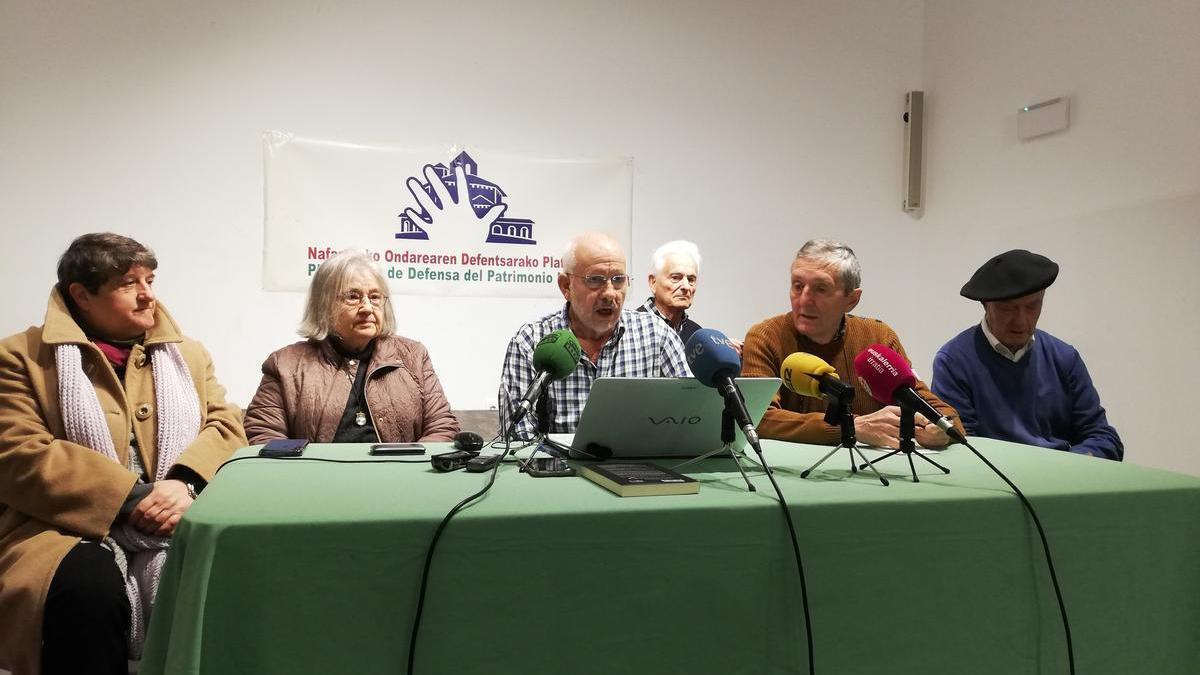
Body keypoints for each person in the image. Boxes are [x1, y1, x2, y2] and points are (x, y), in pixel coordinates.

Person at [0, 233, 246, 675]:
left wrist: (184, 483)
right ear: (82, 295)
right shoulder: (20, 357)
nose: (147, 294)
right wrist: (132, 499)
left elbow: (226, 426)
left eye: (150, 279)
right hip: (59, 528)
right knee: (85, 591)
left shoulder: (188, 354)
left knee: (234, 579)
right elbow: (18, 453)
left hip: (183, 510)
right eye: (128, 283)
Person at [742, 239, 962, 448]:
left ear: (852, 299)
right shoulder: (765, 337)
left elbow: (937, 409)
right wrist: (850, 427)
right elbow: (758, 417)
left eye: (821, 289)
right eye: (798, 286)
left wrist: (940, 429)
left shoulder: (879, 338)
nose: (804, 299)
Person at [244, 251, 459, 444]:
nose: (367, 307)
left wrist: (409, 469)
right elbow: (264, 433)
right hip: (316, 483)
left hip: (399, 480)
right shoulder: (286, 364)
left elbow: (442, 426)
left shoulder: (413, 355)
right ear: (323, 304)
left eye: (375, 297)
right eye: (352, 297)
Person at [931, 249, 1123, 460]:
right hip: (998, 483)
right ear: (985, 304)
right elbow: (962, 445)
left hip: (1065, 478)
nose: (1021, 321)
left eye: (1032, 306)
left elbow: (1102, 435)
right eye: (1007, 308)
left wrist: (1070, 465)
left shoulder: (1064, 357)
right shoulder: (954, 361)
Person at [499, 232, 691, 438]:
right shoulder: (531, 340)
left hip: (639, 467)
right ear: (566, 286)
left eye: (618, 280)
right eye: (595, 280)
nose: (609, 293)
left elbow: (692, 416)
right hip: (558, 468)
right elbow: (517, 436)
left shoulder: (657, 336)